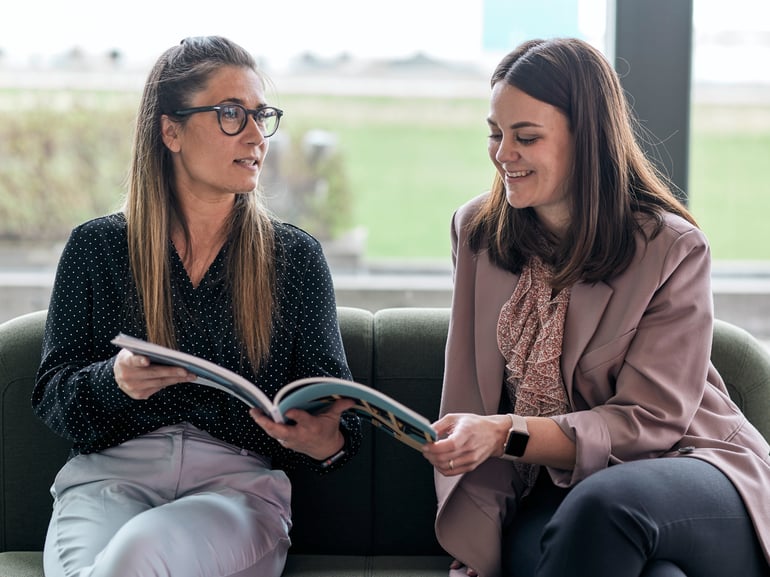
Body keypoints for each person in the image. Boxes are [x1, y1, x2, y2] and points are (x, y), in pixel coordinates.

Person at [421, 37, 770, 577]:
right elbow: (471, 399)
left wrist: (504, 432)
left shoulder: (671, 247)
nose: (502, 153)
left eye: (526, 136)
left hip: (691, 468)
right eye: (496, 133)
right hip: (565, 494)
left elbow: (650, 423)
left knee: (605, 508)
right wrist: (474, 552)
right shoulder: (477, 234)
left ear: (587, 139)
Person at [31, 36, 361, 577]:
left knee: (134, 557)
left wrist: (324, 439)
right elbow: (52, 399)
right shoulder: (97, 248)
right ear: (171, 130)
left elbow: (338, 419)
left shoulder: (294, 259)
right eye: (232, 114)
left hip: (235, 491)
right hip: (109, 480)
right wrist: (115, 381)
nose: (256, 136)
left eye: (262, 116)